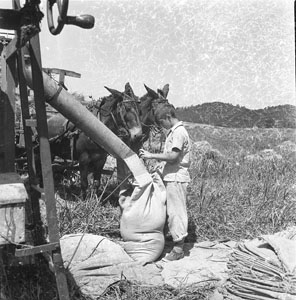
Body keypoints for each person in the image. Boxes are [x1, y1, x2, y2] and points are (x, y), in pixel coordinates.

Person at [139, 103, 191, 261]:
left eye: (161, 122)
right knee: (171, 212)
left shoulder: (179, 132)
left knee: (177, 212)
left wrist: (151, 156)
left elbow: (174, 157)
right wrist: (160, 166)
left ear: (168, 118)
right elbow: (170, 156)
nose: (161, 126)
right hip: (170, 176)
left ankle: (178, 248)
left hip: (176, 178)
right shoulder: (174, 132)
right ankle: (176, 239)